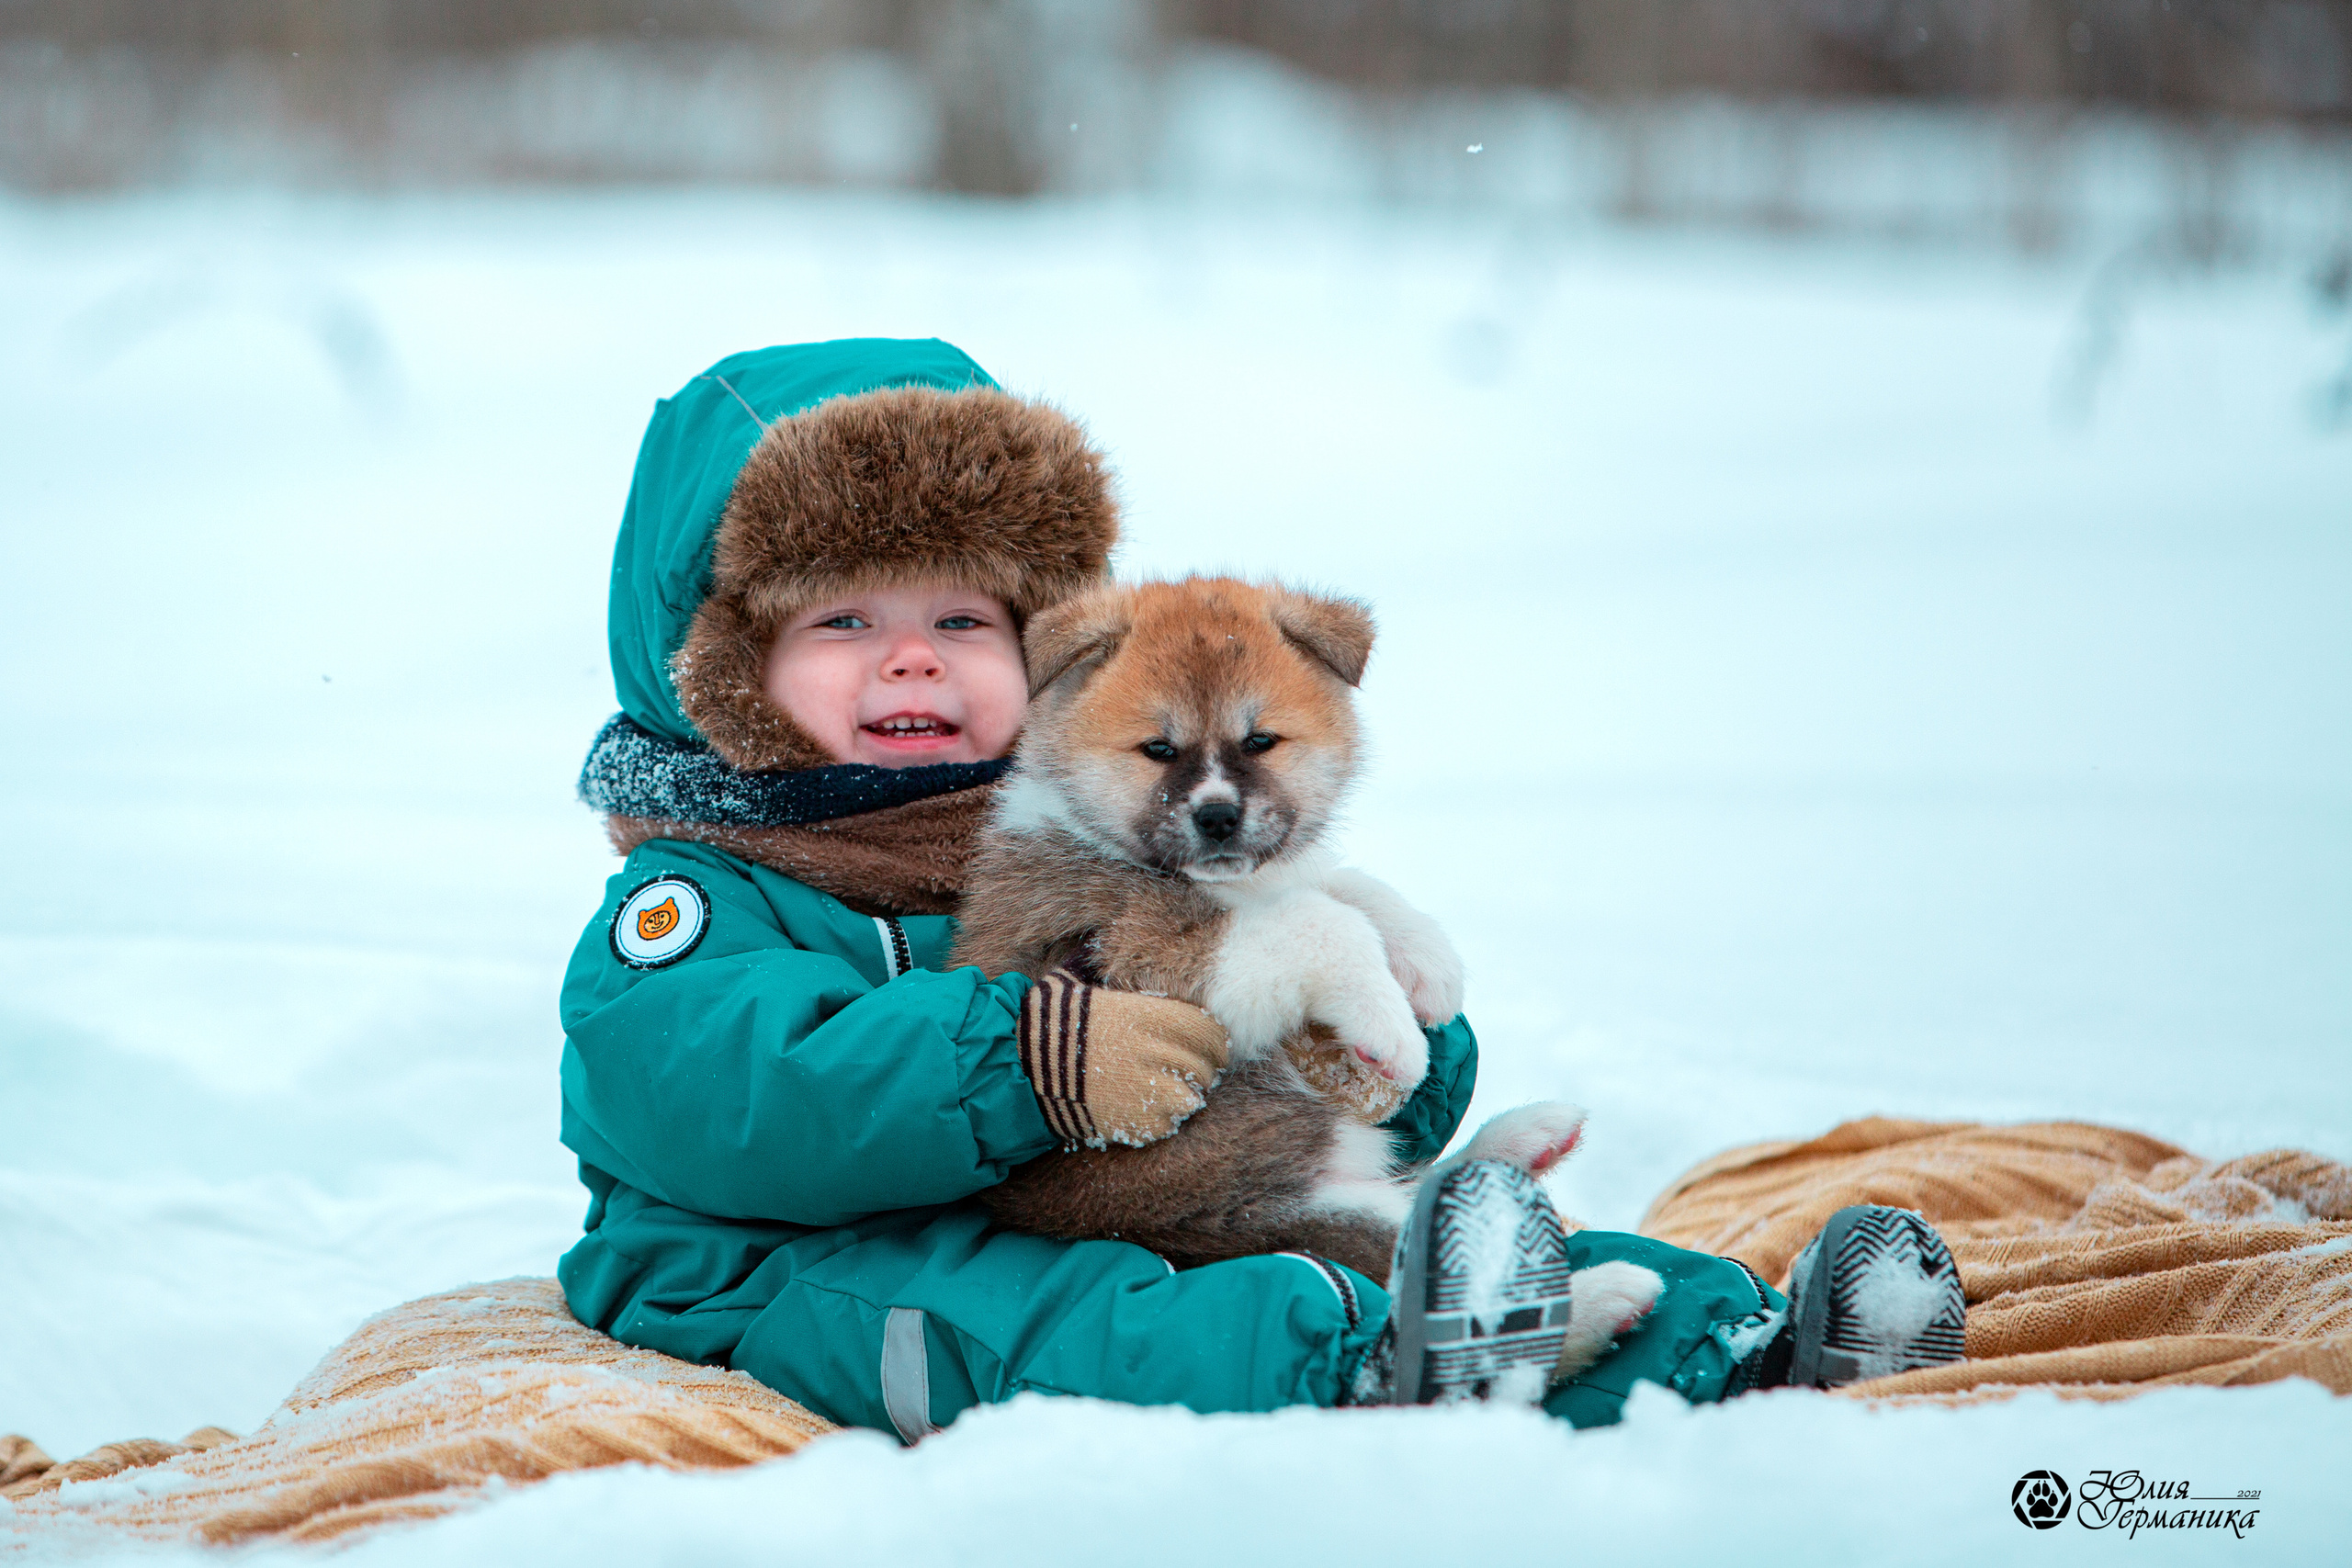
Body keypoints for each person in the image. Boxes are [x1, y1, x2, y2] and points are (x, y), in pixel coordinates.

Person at [557, 336, 1965, 1439]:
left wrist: (1373, 1059)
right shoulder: (698, 902)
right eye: (845, 618)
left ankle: (1741, 1341)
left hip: (1131, 1198)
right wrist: (1024, 1062)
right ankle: (1363, 1372)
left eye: (963, 617)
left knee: (1391, 1242)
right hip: (788, 1265)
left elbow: (1278, 1031)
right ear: (723, 665)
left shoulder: (1105, 818)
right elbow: (738, 1103)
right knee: (1082, 1320)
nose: (912, 657)